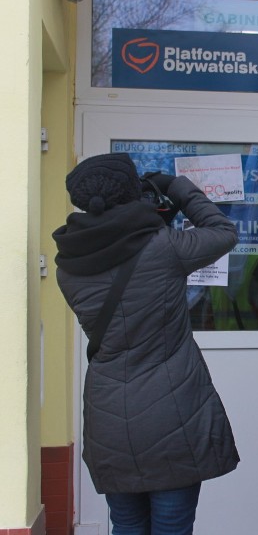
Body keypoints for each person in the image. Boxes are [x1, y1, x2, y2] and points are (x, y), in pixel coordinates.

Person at [52, 152, 240, 534]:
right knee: (171, 527)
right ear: (130, 192)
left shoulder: (67, 266)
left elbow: (121, 250)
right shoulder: (164, 247)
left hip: (108, 417)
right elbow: (223, 232)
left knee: (126, 526)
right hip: (174, 413)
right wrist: (177, 188)